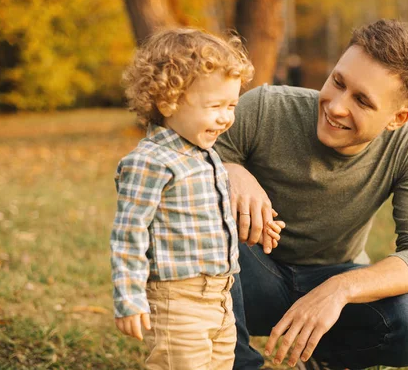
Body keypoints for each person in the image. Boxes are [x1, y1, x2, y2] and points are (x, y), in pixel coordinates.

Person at [214, 19, 408, 369]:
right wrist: (227, 169)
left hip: (337, 276)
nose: (336, 106)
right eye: (337, 82)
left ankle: (325, 356)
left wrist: (340, 289)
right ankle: (240, 363)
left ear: (397, 118)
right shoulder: (265, 108)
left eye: (362, 101)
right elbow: (180, 164)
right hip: (249, 275)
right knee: (201, 226)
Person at [109, 28, 284, 370]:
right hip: (179, 298)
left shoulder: (206, 155)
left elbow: (204, 217)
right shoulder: (151, 161)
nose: (226, 117)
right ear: (167, 101)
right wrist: (128, 298)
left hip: (220, 296)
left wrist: (252, 228)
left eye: (231, 105)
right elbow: (128, 233)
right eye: (215, 106)